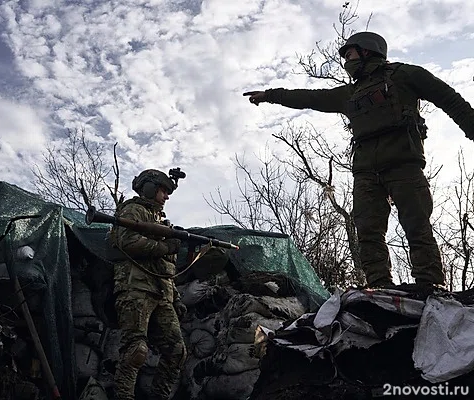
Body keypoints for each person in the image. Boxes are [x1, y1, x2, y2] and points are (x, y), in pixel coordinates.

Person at [243, 31, 474, 288]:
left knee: (417, 226)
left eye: (350, 54)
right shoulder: (349, 94)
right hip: (365, 173)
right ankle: (379, 286)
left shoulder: (405, 75)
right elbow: (310, 97)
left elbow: (450, 100)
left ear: (367, 51)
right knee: (368, 232)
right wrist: (272, 95)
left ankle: (429, 284)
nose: (346, 61)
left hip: (403, 165)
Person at [108, 169, 187, 400]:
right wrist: (165, 247)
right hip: (136, 289)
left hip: (162, 294)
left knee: (176, 352)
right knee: (136, 351)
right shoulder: (133, 210)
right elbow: (127, 240)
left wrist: (176, 297)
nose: (166, 196)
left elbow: (166, 268)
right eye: (163, 190)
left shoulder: (161, 221)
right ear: (149, 188)